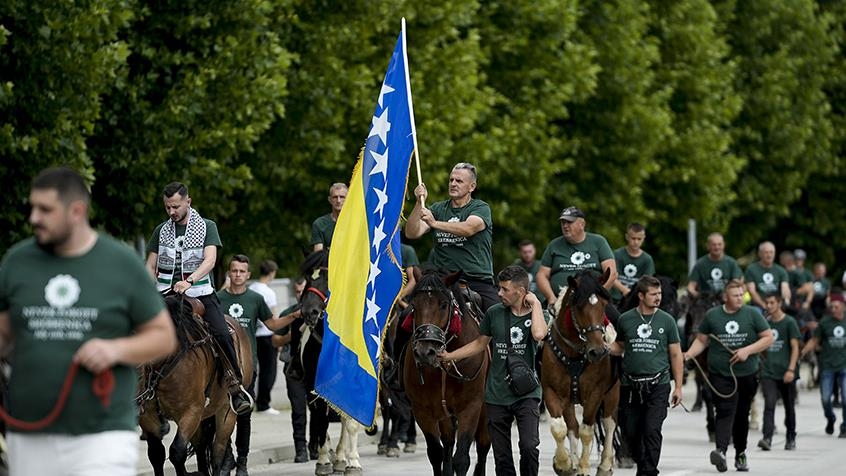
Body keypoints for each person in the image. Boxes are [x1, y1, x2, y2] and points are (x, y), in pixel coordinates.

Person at [0, 166, 177, 476]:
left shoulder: (120, 262)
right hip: (29, 427)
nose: (34, 218)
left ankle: (232, 386)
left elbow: (163, 337)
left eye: (45, 210)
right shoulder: (16, 262)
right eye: (33, 208)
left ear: (76, 211)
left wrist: (115, 350)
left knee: (216, 328)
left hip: (102, 432)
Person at [145, 182, 252, 414]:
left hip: (199, 293)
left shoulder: (207, 226)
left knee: (222, 333)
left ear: (188, 202)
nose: (171, 212)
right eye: (167, 208)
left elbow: (210, 260)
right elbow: (150, 265)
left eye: (175, 206)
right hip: (164, 295)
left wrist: (190, 281)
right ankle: (142, 392)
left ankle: (235, 386)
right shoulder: (160, 231)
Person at [438, 265, 547, 476]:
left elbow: (539, 334)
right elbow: (480, 343)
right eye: (499, 288)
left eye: (505, 289)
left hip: (526, 394)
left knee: (529, 446)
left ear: (521, 291)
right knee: (502, 455)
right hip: (497, 394)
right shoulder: (493, 313)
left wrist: (536, 305)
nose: (499, 293)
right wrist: (450, 356)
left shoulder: (537, 313)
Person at [218, 254, 297, 475]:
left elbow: (272, 324)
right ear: (229, 273)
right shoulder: (217, 298)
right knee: (220, 414)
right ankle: (227, 457)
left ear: (248, 275)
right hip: (222, 367)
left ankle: (242, 461)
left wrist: (295, 315)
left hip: (246, 367)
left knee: (243, 414)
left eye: (242, 271)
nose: (238, 275)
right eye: (234, 271)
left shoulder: (255, 299)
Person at [683, 279, 773, 473]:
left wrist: (747, 351)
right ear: (725, 297)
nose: (740, 298)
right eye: (735, 295)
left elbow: (768, 338)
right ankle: (721, 451)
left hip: (747, 373)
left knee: (742, 415)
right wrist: (689, 354)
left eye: (741, 295)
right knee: (723, 411)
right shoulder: (712, 315)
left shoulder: (752, 314)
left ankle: (741, 453)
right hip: (720, 373)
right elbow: (702, 340)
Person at [610, 276, 683, 476]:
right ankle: (643, 465)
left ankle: (648, 471)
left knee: (651, 429)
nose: (658, 298)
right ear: (641, 296)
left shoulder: (667, 321)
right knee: (630, 431)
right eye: (653, 294)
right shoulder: (626, 319)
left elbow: (676, 354)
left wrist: (678, 386)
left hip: (658, 384)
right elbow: (620, 346)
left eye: (659, 294)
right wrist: (605, 345)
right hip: (630, 385)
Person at [405, 162, 498, 310]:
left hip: (476, 280)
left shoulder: (481, 208)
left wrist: (434, 223)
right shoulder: (438, 208)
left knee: (499, 323)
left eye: (459, 181)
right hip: (443, 281)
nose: (453, 184)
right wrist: (418, 203)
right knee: (408, 316)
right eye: (451, 180)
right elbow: (412, 232)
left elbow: (468, 229)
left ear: (471, 187)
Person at [535, 206, 617, 319]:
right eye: (563, 222)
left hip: (593, 301)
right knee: (537, 329)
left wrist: (598, 295)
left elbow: (611, 273)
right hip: (559, 302)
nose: (565, 226)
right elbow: (541, 275)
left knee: (618, 322)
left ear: (582, 224)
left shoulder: (598, 242)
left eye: (569, 222)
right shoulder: (554, 245)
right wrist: (551, 297)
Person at [271, 277, 309, 462]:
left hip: (315, 370)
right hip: (293, 367)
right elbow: (274, 340)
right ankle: (301, 448)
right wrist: (290, 336)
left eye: (304, 291)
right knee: (298, 410)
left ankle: (317, 445)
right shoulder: (289, 312)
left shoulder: (320, 311)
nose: (300, 295)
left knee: (318, 410)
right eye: (298, 291)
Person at [757, 293, 800, 451]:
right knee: (769, 404)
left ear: (779, 303)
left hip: (786, 372)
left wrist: (791, 369)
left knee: (789, 406)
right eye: (767, 302)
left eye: (772, 303)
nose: (768, 306)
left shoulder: (789, 322)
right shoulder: (764, 323)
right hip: (769, 372)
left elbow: (795, 347)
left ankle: (791, 436)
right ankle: (767, 437)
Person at [800, 293, 846, 438]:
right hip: (827, 365)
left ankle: (844, 426)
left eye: (836, 306)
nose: (833, 309)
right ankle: (830, 418)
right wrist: (803, 351)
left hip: (844, 365)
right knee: (826, 399)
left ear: (843, 307)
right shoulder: (825, 322)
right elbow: (815, 340)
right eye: (831, 306)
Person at [248, 259, 281, 415]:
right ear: (272, 273)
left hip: (252, 336)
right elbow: (274, 317)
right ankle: (264, 404)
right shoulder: (269, 292)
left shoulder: (251, 288)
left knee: (252, 370)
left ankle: (250, 401)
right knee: (269, 371)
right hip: (267, 336)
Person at [686, 232, 743, 300]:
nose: (717, 247)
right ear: (708, 246)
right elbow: (691, 286)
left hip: (726, 299)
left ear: (724, 245)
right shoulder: (700, 264)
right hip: (706, 300)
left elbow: (736, 282)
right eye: (714, 245)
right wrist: (697, 296)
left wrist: (727, 295)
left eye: (719, 244)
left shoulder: (731, 263)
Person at [611, 223, 656, 305]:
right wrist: (624, 290)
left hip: (637, 301)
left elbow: (647, 282)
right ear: (627, 237)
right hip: (615, 299)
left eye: (639, 239)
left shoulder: (647, 259)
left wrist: (633, 294)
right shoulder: (617, 254)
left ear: (643, 238)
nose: (636, 242)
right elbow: (611, 276)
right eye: (633, 238)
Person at [744, 241, 790, 312]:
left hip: (777, 305)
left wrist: (786, 301)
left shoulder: (781, 271)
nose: (769, 255)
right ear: (760, 254)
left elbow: (785, 288)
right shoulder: (751, 269)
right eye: (766, 252)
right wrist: (764, 305)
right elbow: (752, 291)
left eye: (771, 252)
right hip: (758, 306)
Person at [311, 183, 348, 251]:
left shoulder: (356, 223)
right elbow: (318, 256)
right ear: (329, 199)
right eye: (335, 197)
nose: (338, 201)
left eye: (342, 197)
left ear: (348, 199)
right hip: (327, 261)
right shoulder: (320, 224)